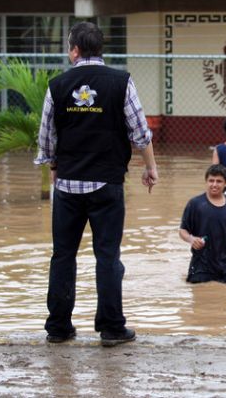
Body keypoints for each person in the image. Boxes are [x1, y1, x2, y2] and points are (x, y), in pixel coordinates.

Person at [34, 21, 159, 347]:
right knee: (107, 256)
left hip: (68, 186)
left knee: (63, 255)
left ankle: (58, 327)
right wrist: (150, 167)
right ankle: (111, 328)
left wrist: (54, 167)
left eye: (68, 46)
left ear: (75, 50)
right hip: (107, 184)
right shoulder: (121, 82)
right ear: (100, 49)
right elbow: (140, 132)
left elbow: (46, 137)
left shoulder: (57, 86)